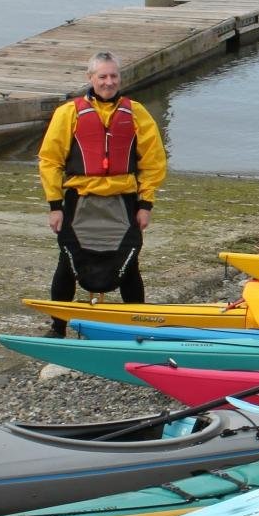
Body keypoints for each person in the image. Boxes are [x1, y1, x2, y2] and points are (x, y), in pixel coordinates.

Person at [37, 51, 168, 336]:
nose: (108, 82)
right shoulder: (68, 113)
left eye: (113, 76)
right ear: (90, 78)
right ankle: (58, 327)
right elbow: (50, 161)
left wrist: (146, 203)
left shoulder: (136, 113)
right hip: (79, 201)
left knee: (130, 266)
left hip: (123, 202)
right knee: (67, 264)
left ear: (120, 78)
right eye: (102, 76)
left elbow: (154, 162)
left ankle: (139, 329)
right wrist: (54, 205)